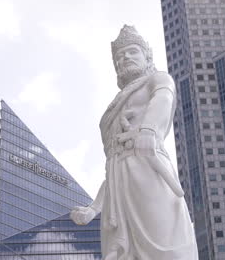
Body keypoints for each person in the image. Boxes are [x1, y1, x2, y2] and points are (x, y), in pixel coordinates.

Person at [70, 25, 197, 260]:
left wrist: (148, 129)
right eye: (119, 57)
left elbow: (163, 97)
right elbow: (112, 172)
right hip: (119, 180)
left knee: (166, 243)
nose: (124, 58)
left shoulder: (157, 79)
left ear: (146, 55)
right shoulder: (113, 106)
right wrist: (93, 208)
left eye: (131, 52)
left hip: (149, 169)